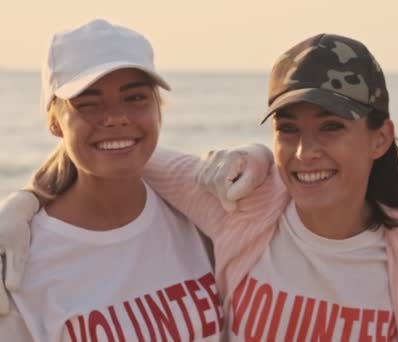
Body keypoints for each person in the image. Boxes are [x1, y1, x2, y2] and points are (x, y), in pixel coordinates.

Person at [0, 33, 398, 341]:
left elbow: (125, 144)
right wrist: (26, 201)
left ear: (381, 137)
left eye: (332, 127)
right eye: (287, 129)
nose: (304, 152)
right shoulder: (245, 206)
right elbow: (115, 152)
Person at [0, 19, 229, 341]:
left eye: (134, 98)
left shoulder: (198, 214)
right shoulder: (19, 263)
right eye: (89, 104)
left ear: (159, 108)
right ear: (54, 122)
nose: (117, 117)